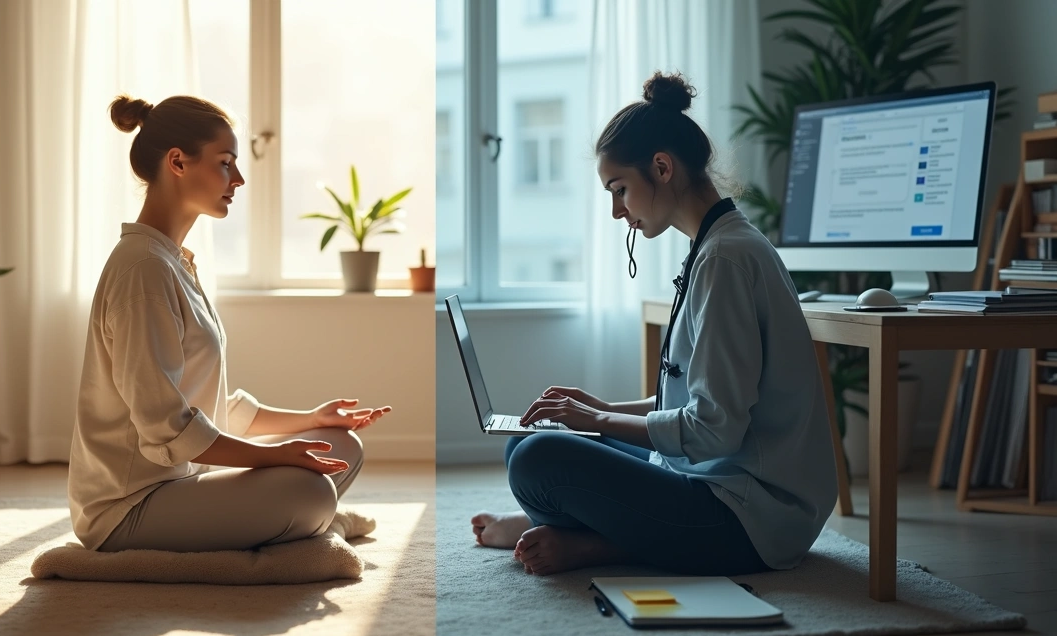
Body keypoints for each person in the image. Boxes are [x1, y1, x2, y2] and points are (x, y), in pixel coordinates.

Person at [470, 72, 837, 577]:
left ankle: (599, 544)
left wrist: (598, 422)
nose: (616, 211)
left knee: (539, 460)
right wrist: (597, 409)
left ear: (662, 167)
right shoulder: (716, 248)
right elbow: (696, 399)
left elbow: (712, 431)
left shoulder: (726, 260)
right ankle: (591, 533)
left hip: (749, 518)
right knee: (528, 440)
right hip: (712, 478)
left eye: (619, 189)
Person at [67, 94, 392, 553]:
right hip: (129, 506)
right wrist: (272, 456)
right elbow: (167, 427)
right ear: (177, 162)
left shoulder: (172, 261)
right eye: (225, 163)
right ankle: (316, 520)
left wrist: (311, 419)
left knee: (342, 444)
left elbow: (210, 405)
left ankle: (308, 521)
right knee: (313, 492)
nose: (238, 179)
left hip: (185, 479)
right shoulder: (144, 270)